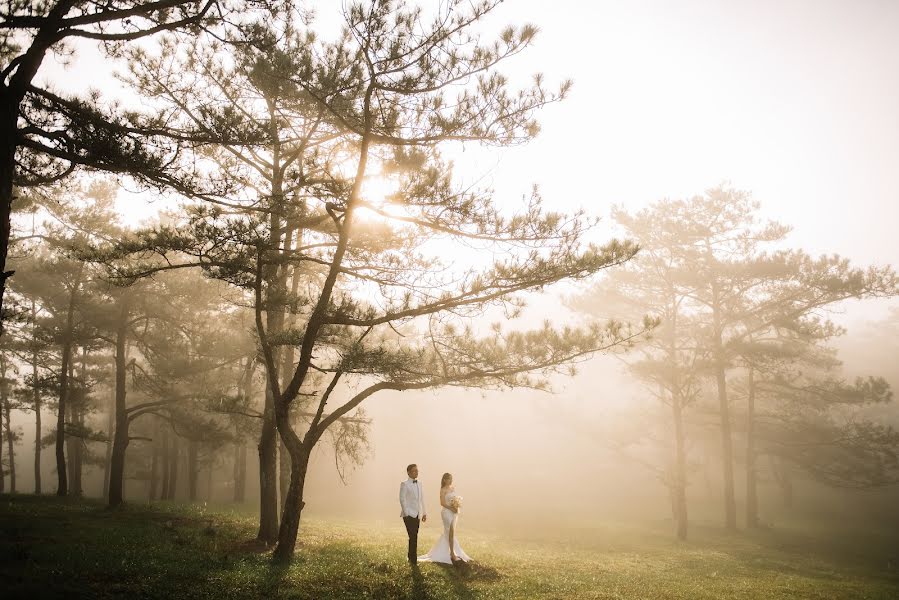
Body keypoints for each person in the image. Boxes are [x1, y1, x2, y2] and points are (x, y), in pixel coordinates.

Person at [418, 472, 471, 565]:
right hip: (446, 512)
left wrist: (456, 505)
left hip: (454, 512)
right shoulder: (442, 490)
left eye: (451, 478)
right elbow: (442, 503)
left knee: (452, 532)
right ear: (444, 480)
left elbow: (455, 499)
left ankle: (451, 551)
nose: (450, 480)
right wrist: (451, 507)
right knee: (449, 531)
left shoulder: (452, 488)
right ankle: (452, 554)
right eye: (448, 479)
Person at [399, 463, 427, 565]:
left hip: (417, 514)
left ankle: (410, 557)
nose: (417, 472)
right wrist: (406, 513)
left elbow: (422, 499)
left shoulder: (419, 483)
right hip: (408, 514)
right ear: (409, 472)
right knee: (413, 536)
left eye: (417, 470)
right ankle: (413, 560)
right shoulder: (404, 484)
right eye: (414, 470)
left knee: (414, 537)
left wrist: (424, 512)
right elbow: (402, 499)